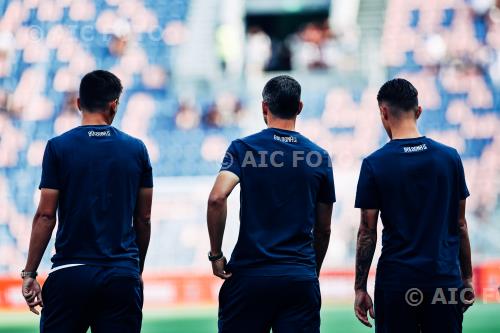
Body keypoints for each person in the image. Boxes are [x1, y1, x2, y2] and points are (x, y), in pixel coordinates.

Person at [21, 70, 153, 333]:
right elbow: (143, 218)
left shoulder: (58, 147)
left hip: (70, 272)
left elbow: (46, 216)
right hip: (120, 275)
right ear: (114, 104)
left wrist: (30, 273)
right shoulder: (137, 149)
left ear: (79, 103)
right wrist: (135, 270)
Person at [207, 75, 335, 333]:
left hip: (249, 276)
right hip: (298, 276)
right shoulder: (318, 157)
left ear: (264, 107)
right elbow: (323, 229)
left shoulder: (243, 148)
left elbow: (217, 197)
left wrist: (216, 254)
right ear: (299, 107)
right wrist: (310, 271)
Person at [353, 78, 474, 332]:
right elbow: (460, 224)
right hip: (444, 283)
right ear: (419, 111)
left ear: (383, 112)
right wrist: (468, 278)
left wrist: (360, 287)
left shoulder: (374, 164)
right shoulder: (450, 158)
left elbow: (367, 231)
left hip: (397, 283)